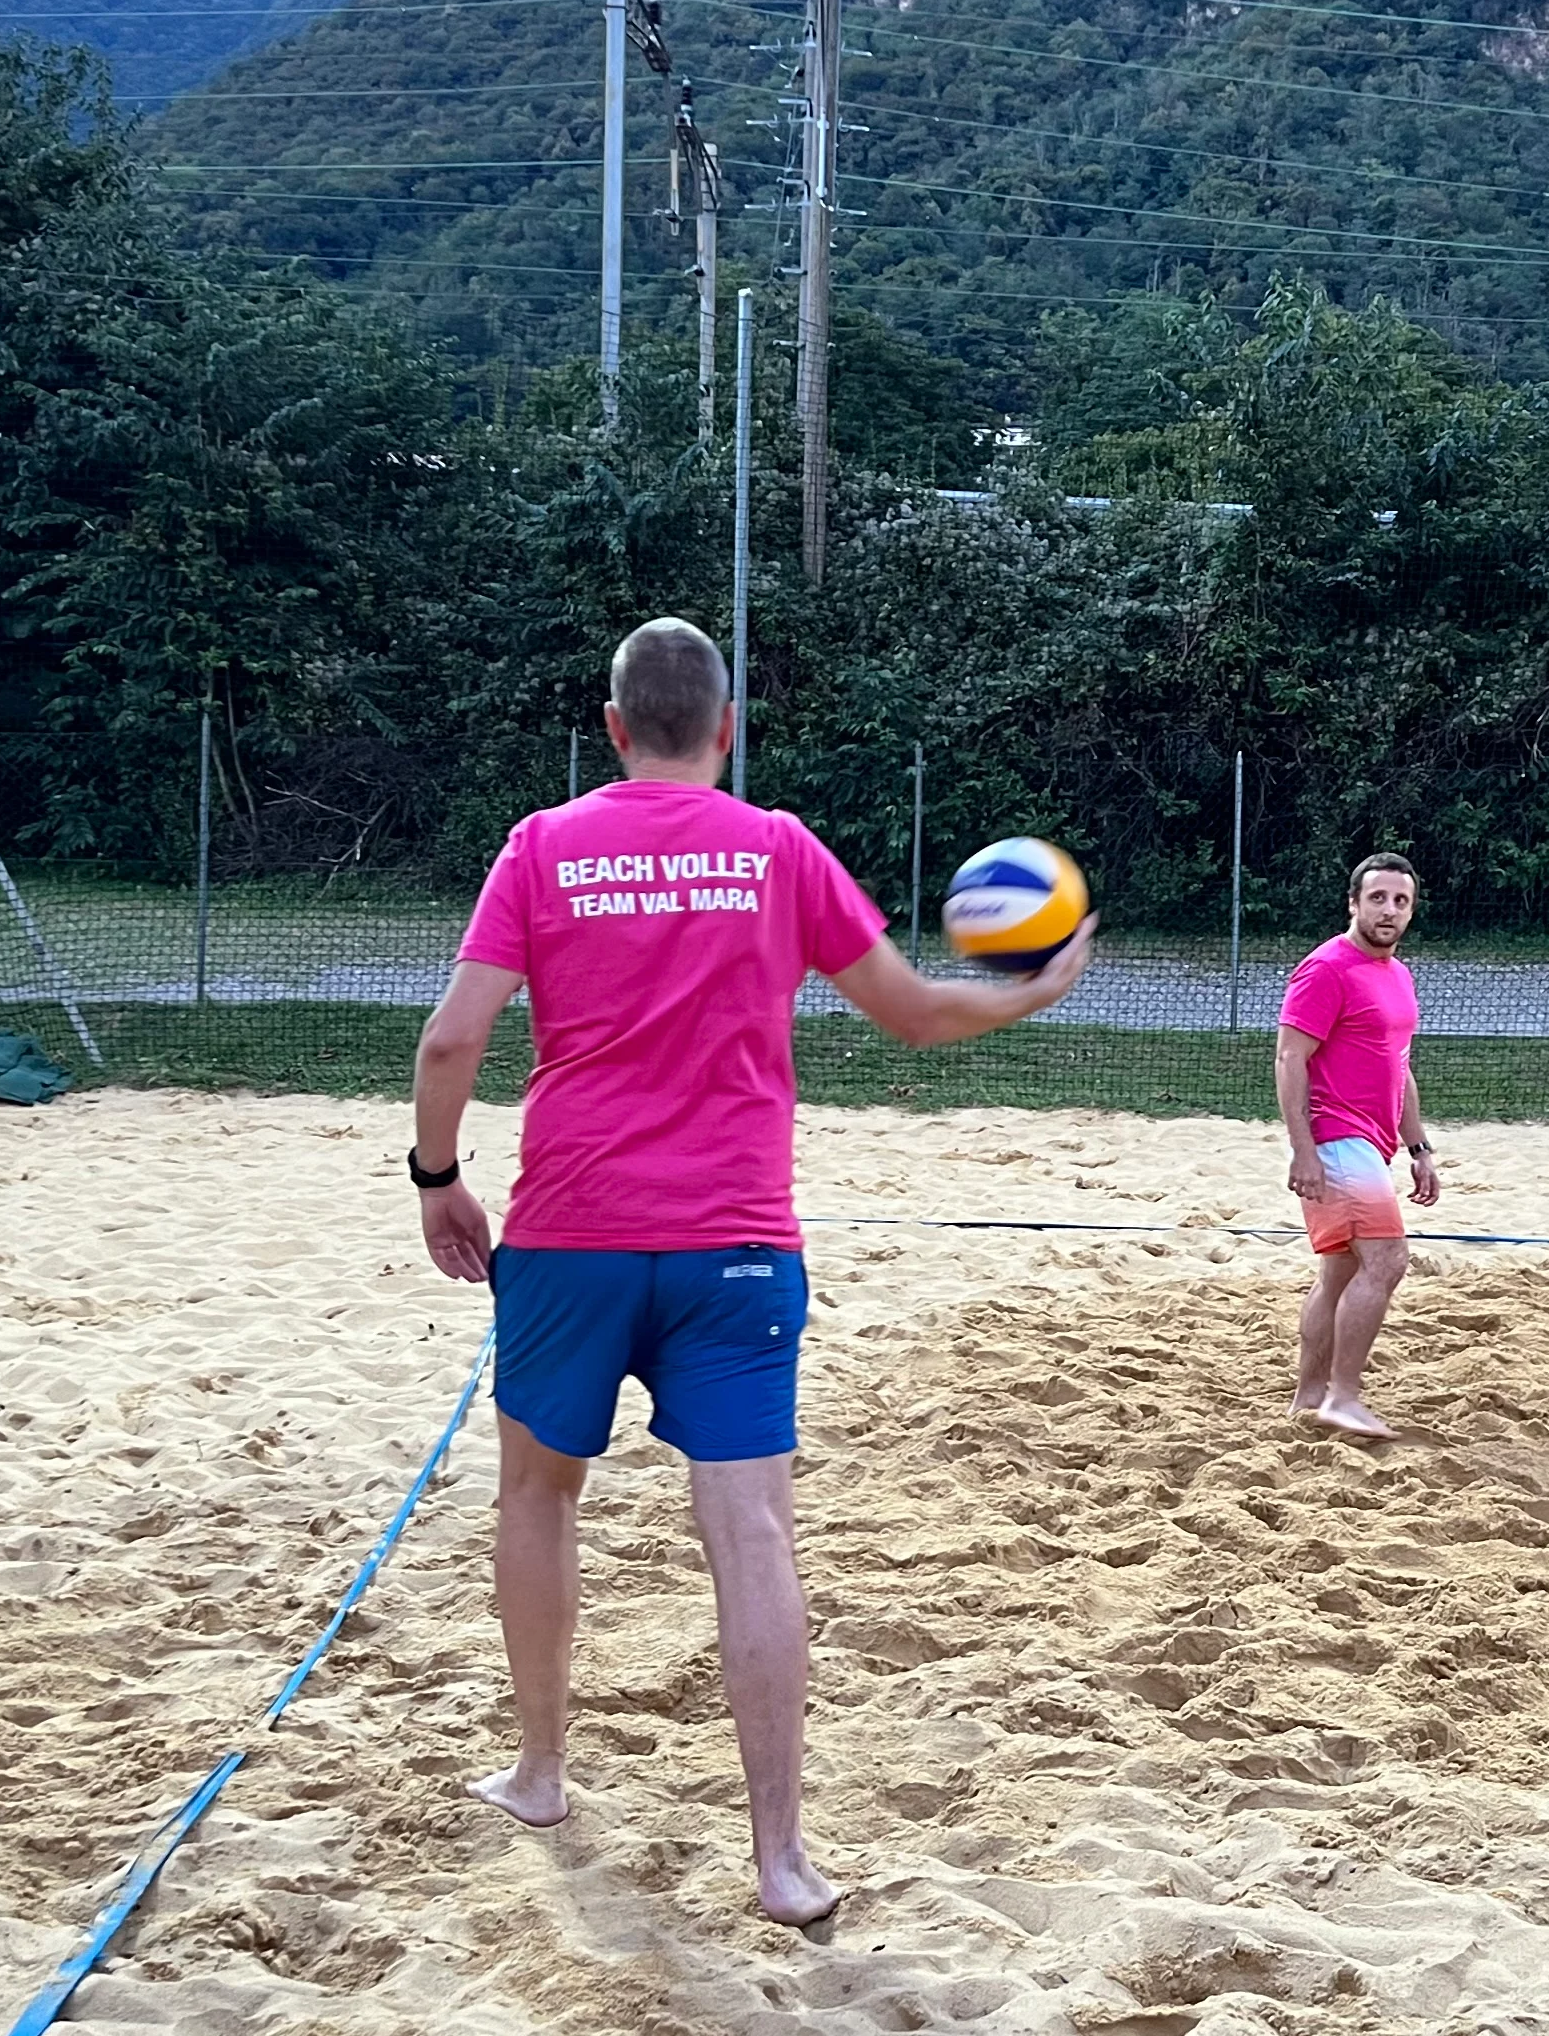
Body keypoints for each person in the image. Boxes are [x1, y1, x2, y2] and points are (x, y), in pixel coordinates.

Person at [408, 618, 1092, 1924]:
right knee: (753, 1531)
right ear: (726, 728)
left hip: (570, 1233)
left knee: (537, 1499)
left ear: (613, 729)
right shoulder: (774, 846)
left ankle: (544, 1772)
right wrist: (1034, 991)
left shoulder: (543, 846)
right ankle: (782, 1859)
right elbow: (913, 1015)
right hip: (734, 1240)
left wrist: (440, 1182)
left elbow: (453, 1044)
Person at [1277, 851, 1439, 1436]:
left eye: (1400, 900)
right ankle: (1343, 1396)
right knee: (1389, 1260)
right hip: (1336, 1139)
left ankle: (1309, 1397)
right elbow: (1290, 1057)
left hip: (1373, 1143)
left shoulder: (1398, 976)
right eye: (1378, 898)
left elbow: (1399, 1066)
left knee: (1340, 1273)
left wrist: (1418, 1148)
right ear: (1353, 903)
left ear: (1411, 910)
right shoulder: (1327, 968)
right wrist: (1304, 1149)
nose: (1389, 910)